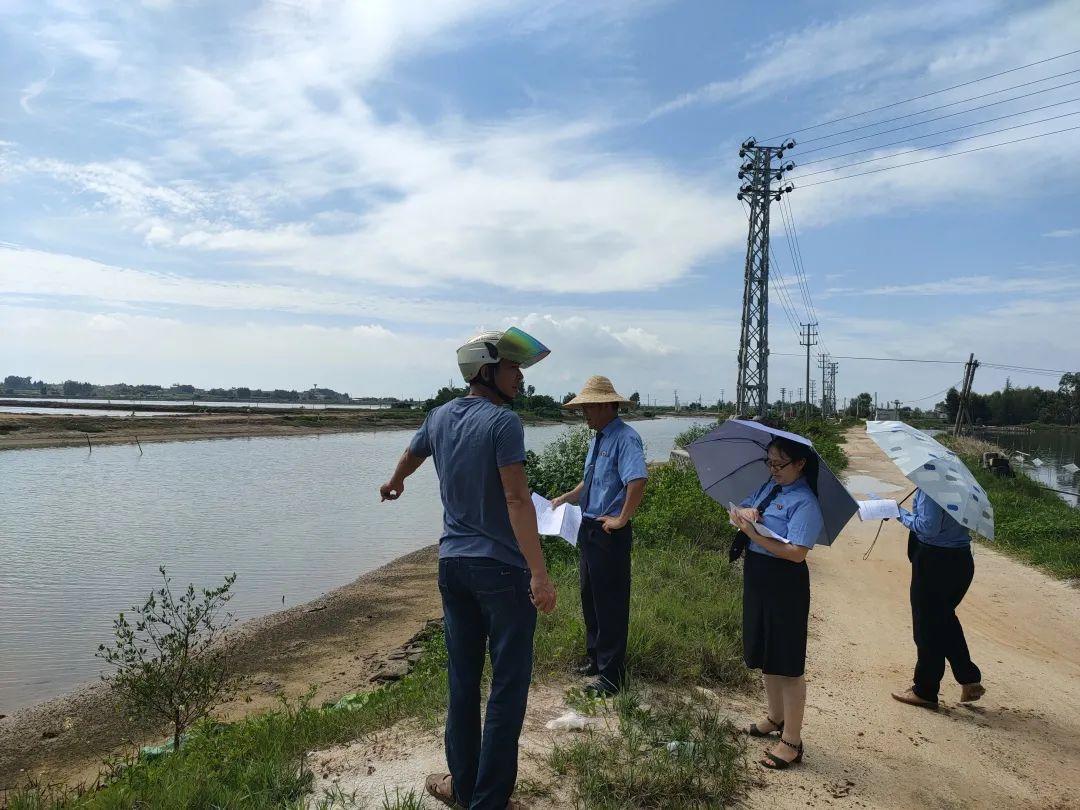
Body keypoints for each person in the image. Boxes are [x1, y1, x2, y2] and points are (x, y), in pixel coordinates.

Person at [380, 327, 557, 810]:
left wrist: (394, 482)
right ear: (487, 370)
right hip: (500, 572)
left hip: (452, 566)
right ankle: (489, 800)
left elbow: (413, 454)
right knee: (506, 687)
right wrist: (539, 574)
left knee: (462, 682)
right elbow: (517, 498)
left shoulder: (439, 417)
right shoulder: (503, 423)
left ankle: (463, 785)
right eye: (514, 367)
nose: (520, 376)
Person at [729, 436, 824, 770]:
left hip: (785, 582)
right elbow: (737, 511)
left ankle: (792, 741)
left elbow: (796, 553)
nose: (773, 469)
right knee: (766, 652)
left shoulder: (805, 503)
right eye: (769, 462)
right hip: (758, 576)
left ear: (800, 464)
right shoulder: (768, 488)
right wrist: (744, 512)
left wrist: (754, 534)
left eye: (780, 464)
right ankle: (775, 717)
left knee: (787, 661)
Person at [551, 375, 647, 696]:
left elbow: (637, 481)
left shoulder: (625, 438)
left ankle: (611, 677)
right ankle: (595, 659)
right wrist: (564, 499)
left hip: (609, 531)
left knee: (610, 604)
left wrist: (621, 519)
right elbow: (590, 484)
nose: (585, 415)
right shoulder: (598, 438)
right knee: (590, 597)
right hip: (588, 527)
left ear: (607, 405)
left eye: (589, 408)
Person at [891, 489, 984, 710]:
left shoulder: (931, 489)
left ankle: (925, 690)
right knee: (943, 620)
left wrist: (898, 514)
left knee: (926, 628)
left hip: (935, 562)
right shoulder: (960, 486)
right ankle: (969, 678)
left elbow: (928, 527)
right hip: (961, 559)